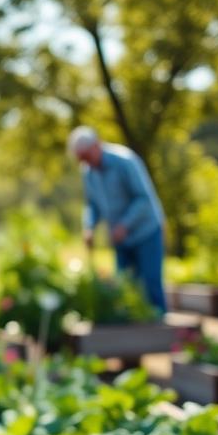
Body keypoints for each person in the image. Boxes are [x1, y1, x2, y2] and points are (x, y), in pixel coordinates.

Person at [68, 126, 167, 313]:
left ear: (97, 145)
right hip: (120, 239)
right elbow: (92, 205)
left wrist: (125, 225)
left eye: (87, 156)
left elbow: (144, 199)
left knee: (150, 284)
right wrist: (88, 227)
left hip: (146, 232)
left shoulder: (125, 161)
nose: (85, 162)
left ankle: (160, 333)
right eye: (81, 159)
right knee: (125, 290)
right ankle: (132, 338)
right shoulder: (88, 171)